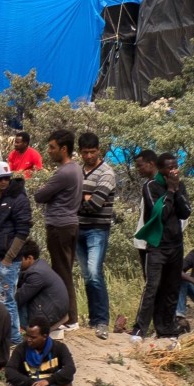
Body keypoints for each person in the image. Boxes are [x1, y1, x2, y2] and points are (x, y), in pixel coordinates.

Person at [131, 151, 192, 341]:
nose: (174, 170)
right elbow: (161, 214)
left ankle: (166, 327)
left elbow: (185, 212)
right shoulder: (151, 186)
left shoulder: (180, 185)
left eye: (176, 166)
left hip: (176, 244)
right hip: (157, 246)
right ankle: (140, 328)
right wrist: (171, 192)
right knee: (152, 287)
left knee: (172, 287)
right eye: (170, 167)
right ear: (161, 168)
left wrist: (177, 191)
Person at [32, 129, 82, 329]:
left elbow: (40, 195)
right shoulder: (76, 169)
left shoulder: (64, 172)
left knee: (61, 272)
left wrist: (45, 190)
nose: (49, 151)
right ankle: (70, 316)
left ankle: (68, 317)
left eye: (52, 147)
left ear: (64, 149)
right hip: (70, 223)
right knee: (64, 269)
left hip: (59, 226)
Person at [0, 161, 33, 345]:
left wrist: (9, 258)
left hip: (8, 259)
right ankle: (3, 336)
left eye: (6, 178)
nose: (3, 182)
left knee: (6, 299)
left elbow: (23, 231)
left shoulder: (18, 198)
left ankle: (15, 339)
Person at [74, 132, 116, 338]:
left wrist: (80, 200)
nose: (89, 156)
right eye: (85, 152)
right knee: (87, 275)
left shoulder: (107, 173)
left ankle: (101, 321)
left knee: (94, 273)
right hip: (78, 229)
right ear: (80, 152)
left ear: (99, 150)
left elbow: (95, 204)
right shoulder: (78, 171)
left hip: (97, 229)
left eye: (92, 152)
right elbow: (70, 200)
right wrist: (84, 198)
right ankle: (93, 319)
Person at [12, 239, 70, 336]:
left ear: (29, 258)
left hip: (51, 314)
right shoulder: (40, 266)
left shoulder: (36, 274)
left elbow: (19, 298)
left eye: (19, 260)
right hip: (54, 309)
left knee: (14, 303)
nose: (16, 263)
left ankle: (18, 333)